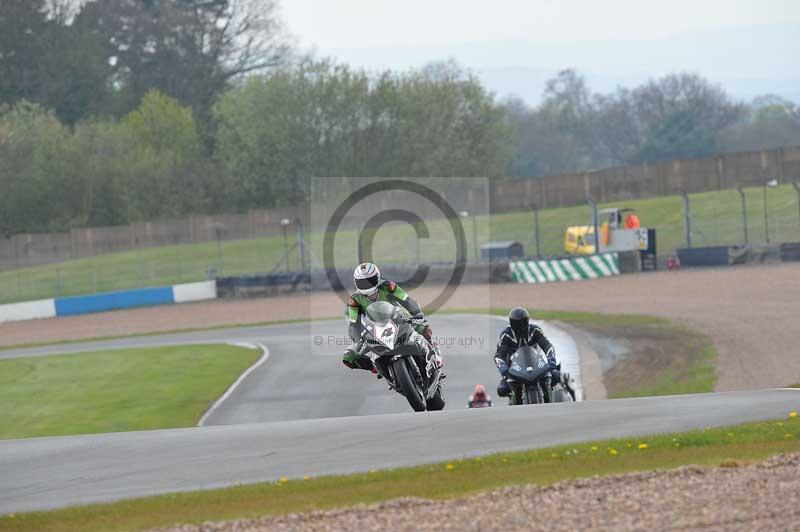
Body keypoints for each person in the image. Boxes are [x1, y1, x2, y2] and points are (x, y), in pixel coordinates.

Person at [342, 262, 441, 371]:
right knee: (348, 357)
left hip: (398, 317)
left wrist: (417, 314)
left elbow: (406, 300)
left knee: (423, 328)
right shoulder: (355, 299)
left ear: (377, 277)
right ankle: (376, 367)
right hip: (375, 328)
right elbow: (353, 324)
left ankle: (434, 351)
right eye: (362, 282)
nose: (367, 285)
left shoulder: (388, 286)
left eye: (369, 280)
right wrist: (357, 340)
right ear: (356, 283)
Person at [493, 307, 559, 399]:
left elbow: (547, 346)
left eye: (523, 322)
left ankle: (548, 392)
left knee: (555, 376)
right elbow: (499, 355)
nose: (520, 326)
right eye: (516, 323)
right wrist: (504, 370)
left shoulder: (535, 330)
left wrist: (551, 362)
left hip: (535, 363)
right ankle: (514, 398)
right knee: (503, 389)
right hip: (513, 367)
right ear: (511, 323)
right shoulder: (506, 335)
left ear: (527, 321)